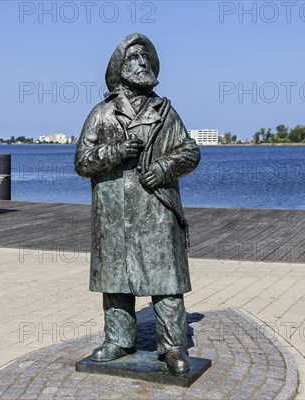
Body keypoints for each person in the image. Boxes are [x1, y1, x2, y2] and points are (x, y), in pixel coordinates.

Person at [74, 33, 201, 374]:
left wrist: (162, 168)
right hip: (113, 210)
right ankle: (118, 339)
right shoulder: (102, 114)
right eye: (134, 58)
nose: (142, 63)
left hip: (155, 209)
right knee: (116, 279)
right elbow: (82, 162)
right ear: (119, 68)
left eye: (146, 58)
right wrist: (117, 152)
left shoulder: (166, 112)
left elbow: (190, 151)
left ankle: (173, 346)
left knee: (166, 282)